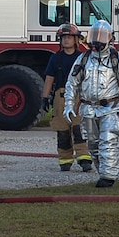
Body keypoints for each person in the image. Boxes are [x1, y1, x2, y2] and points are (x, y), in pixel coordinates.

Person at [65, 18, 119, 188]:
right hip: (88, 108)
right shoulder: (83, 59)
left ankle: (108, 176)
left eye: (101, 36)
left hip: (111, 108)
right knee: (93, 145)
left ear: (110, 38)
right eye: (95, 36)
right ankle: (103, 172)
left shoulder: (117, 60)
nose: (97, 40)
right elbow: (72, 83)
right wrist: (69, 104)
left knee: (108, 140)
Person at [42, 22, 93, 173]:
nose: (66, 40)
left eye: (69, 37)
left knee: (79, 129)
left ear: (76, 40)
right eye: (63, 37)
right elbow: (49, 79)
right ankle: (65, 160)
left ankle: (84, 159)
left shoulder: (83, 58)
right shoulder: (55, 59)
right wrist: (44, 97)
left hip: (78, 97)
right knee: (62, 130)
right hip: (60, 97)